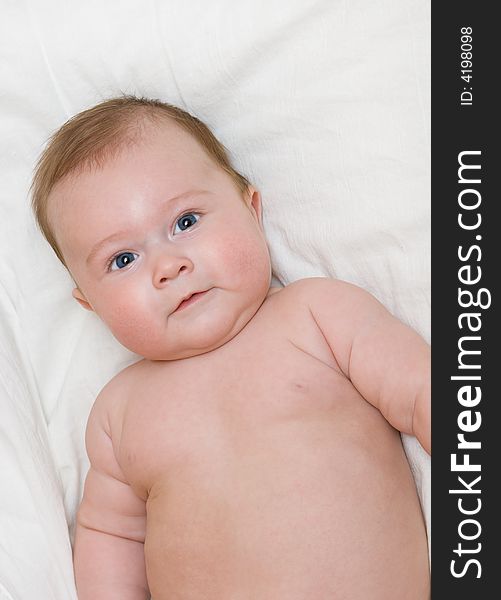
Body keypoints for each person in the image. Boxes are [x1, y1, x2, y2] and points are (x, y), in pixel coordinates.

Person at [31, 96, 430, 599]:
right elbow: (110, 536)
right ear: (89, 303)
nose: (168, 265)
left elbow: (424, 392)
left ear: (251, 208)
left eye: (186, 222)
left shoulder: (318, 316)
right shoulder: (119, 412)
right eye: (124, 258)